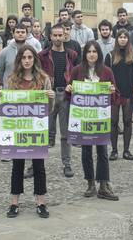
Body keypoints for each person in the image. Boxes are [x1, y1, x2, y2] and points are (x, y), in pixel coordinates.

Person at [0, 44, 53, 219]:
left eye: (30, 57)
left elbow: (48, 110)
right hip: (18, 129)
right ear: (19, 60)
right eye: (24, 58)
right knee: (17, 166)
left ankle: (41, 202)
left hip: (37, 129)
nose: (27, 61)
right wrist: (0, 97)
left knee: (39, 166)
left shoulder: (43, 79)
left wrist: (50, 97)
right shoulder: (12, 79)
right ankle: (14, 202)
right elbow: (6, 107)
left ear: (34, 59)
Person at [68, 41, 119, 201]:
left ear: (99, 54)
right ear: (85, 54)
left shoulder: (106, 71)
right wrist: (69, 89)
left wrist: (112, 91)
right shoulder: (77, 70)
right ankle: (90, 183)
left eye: (94, 51)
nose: (91, 54)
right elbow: (71, 95)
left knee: (102, 151)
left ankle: (103, 184)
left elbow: (115, 96)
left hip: (101, 117)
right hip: (84, 117)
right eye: (89, 51)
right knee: (86, 151)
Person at [39, 24, 78, 177]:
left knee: (65, 133)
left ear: (65, 35)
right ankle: (34, 164)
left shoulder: (72, 54)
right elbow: (38, 75)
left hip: (65, 95)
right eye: (54, 35)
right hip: (48, 95)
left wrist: (72, 86)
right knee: (42, 131)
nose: (57, 38)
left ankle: (67, 164)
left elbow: (76, 74)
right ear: (50, 37)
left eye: (60, 35)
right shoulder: (42, 55)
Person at [105, 29, 133, 161]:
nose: (123, 39)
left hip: (128, 93)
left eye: (125, 37)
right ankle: (114, 150)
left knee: (127, 122)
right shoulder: (110, 55)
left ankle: (126, 150)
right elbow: (105, 74)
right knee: (113, 122)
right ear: (117, 39)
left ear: (128, 40)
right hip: (114, 94)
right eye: (120, 37)